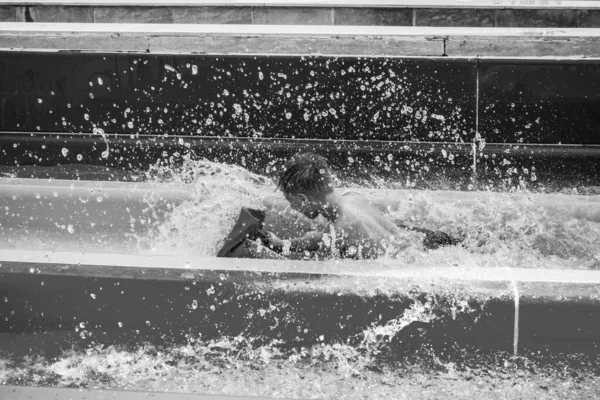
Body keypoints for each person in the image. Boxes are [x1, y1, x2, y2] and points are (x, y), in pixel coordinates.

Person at [262, 152, 413, 260]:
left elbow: (314, 245)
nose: (291, 206)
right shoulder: (354, 198)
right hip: (412, 246)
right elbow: (319, 236)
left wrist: (279, 245)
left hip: (400, 265)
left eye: (290, 200)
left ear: (303, 199)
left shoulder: (340, 229)